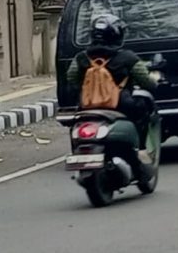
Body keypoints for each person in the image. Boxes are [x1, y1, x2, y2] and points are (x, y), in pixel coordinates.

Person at [67, 14, 161, 179]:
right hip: (120, 104)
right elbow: (146, 81)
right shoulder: (127, 57)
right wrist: (155, 80)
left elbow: (71, 78)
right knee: (142, 110)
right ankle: (140, 149)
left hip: (88, 106)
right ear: (117, 35)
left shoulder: (81, 58)